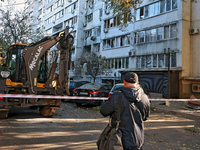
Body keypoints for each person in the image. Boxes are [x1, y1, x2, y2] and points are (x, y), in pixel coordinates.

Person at [100, 72, 150, 150]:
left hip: (118, 140)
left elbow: (103, 111)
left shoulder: (116, 97)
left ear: (124, 82)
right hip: (137, 140)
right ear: (137, 83)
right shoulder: (144, 98)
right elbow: (145, 117)